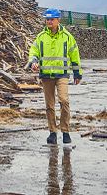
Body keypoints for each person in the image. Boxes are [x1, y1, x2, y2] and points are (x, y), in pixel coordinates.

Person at [27, 8, 82, 144]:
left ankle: (65, 131)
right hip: (46, 76)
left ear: (58, 20)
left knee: (64, 101)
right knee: (49, 105)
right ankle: (52, 132)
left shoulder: (67, 37)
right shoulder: (41, 37)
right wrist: (33, 61)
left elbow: (75, 55)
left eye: (52, 19)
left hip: (62, 75)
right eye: (47, 19)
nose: (49, 21)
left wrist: (77, 73)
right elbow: (33, 51)